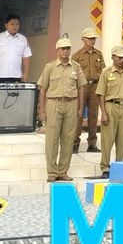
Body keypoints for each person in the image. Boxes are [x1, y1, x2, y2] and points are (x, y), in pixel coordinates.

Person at [37, 36, 86, 181]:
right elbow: (43, 89)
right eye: (63, 49)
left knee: (68, 138)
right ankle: (52, 172)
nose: (66, 51)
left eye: (68, 48)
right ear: (57, 50)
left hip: (71, 103)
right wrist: (41, 110)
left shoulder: (76, 67)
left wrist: (80, 108)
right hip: (54, 103)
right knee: (52, 139)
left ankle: (63, 171)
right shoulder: (50, 67)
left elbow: (81, 88)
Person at [96, 45, 123, 174]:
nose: (122, 60)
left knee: (122, 139)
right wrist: (103, 113)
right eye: (119, 57)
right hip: (111, 106)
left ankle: (120, 166)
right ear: (113, 57)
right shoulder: (106, 73)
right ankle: (105, 167)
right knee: (107, 139)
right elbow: (101, 94)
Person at [72, 27, 105, 154]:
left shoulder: (99, 54)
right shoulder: (77, 55)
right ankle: (75, 143)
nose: (92, 41)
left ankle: (92, 143)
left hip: (95, 86)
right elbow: (72, 73)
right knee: (78, 115)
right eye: (89, 38)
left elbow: (102, 71)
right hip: (82, 87)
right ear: (83, 39)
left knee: (93, 115)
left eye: (93, 39)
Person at [0, 14, 33, 82]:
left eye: (17, 24)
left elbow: (26, 58)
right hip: (0, 76)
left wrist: (25, 74)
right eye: (12, 24)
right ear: (6, 25)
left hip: (17, 76)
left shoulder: (23, 39)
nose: (15, 26)